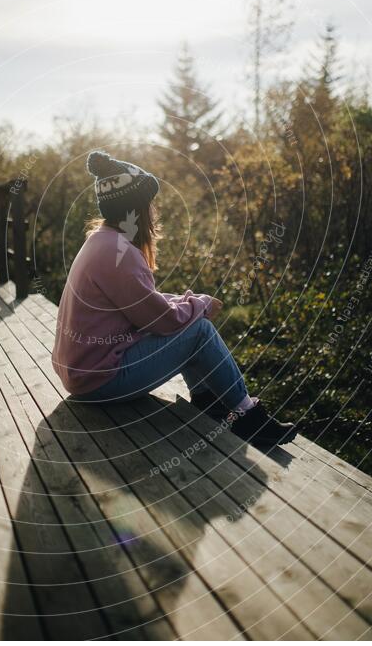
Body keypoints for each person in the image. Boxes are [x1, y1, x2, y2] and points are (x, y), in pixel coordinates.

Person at [51, 150, 297, 446]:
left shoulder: (102, 242)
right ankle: (247, 417)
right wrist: (201, 305)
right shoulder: (118, 254)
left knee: (191, 324)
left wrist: (187, 301)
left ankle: (210, 403)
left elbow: (142, 301)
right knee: (200, 331)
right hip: (100, 380)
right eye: (150, 202)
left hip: (86, 372)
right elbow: (162, 322)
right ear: (136, 208)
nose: (154, 210)